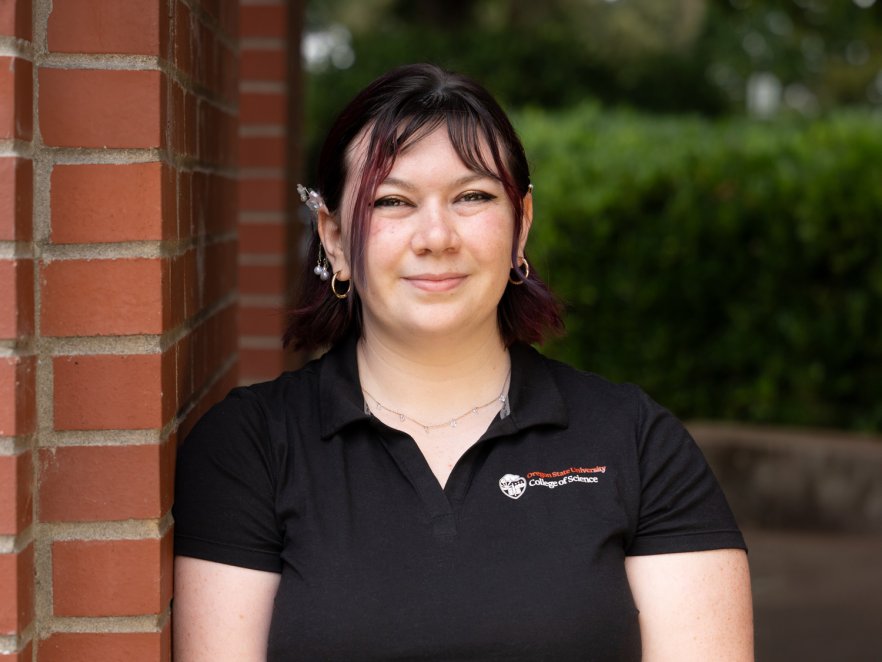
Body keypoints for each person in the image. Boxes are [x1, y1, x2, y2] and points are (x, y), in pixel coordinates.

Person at [172, 63, 753, 661]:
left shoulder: (636, 442)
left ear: (521, 226)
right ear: (335, 239)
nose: (437, 236)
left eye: (472, 196)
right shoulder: (250, 449)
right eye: (393, 201)